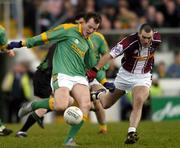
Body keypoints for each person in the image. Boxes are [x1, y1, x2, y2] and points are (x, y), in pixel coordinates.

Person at [8, 12, 102, 146]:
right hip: (62, 74)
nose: (91, 31)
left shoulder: (89, 43)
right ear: (83, 22)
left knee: (86, 105)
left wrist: (102, 80)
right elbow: (44, 37)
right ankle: (33, 106)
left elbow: (91, 66)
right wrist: (22, 43)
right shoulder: (67, 29)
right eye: (90, 27)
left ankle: (69, 140)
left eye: (95, 29)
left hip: (79, 76)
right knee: (61, 105)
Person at [87, 23, 161, 144]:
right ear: (138, 34)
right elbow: (109, 55)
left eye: (149, 38)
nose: (147, 41)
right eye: (144, 37)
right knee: (105, 104)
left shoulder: (157, 38)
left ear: (153, 35)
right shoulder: (128, 42)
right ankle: (99, 94)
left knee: (138, 100)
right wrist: (95, 70)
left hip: (143, 77)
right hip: (125, 76)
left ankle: (131, 132)